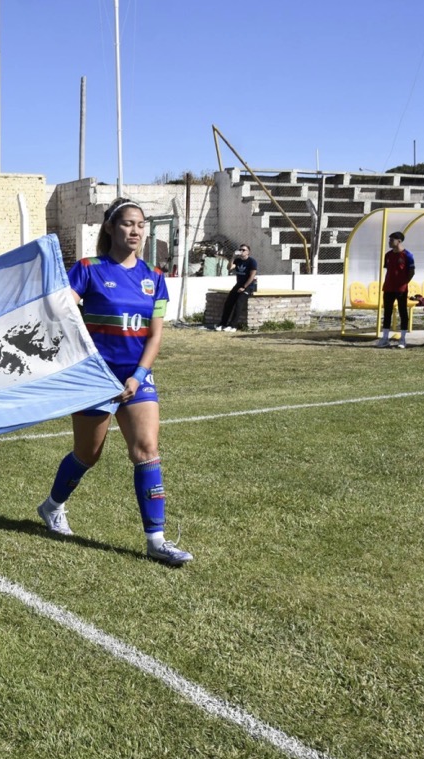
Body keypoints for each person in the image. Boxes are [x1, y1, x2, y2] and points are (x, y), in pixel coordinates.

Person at [35, 198, 193, 566]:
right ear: (109, 227)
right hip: (94, 379)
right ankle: (52, 507)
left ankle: (157, 540)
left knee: (147, 450)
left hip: (137, 378)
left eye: (140, 225)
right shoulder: (89, 269)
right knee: (88, 455)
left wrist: (139, 376)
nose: (135, 231)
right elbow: (61, 312)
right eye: (127, 224)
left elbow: (154, 337)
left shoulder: (155, 278)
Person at [377, 231, 415, 348]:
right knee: (387, 312)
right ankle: (385, 338)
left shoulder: (407, 255)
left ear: (399, 241)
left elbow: (411, 272)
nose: (389, 242)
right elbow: (389, 269)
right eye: (389, 240)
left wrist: (403, 283)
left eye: (391, 240)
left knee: (402, 312)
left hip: (401, 289)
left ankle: (402, 339)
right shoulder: (388, 255)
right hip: (388, 288)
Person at [215, 243, 257, 331]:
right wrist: (233, 257)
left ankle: (233, 326)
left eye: (243, 250)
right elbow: (229, 268)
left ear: (248, 252)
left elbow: (252, 276)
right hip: (238, 285)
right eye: (240, 249)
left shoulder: (252, 261)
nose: (241, 251)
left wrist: (244, 287)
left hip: (248, 286)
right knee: (228, 303)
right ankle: (223, 324)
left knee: (239, 304)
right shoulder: (238, 261)